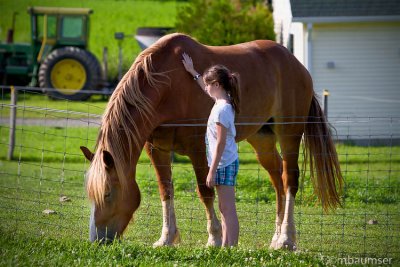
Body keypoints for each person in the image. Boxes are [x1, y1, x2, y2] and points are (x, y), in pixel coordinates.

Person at [182, 53, 241, 247]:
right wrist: (192, 71)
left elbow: (221, 143)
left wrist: (212, 170)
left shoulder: (222, 110)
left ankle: (231, 248)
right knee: (224, 209)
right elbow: (204, 87)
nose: (205, 88)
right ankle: (226, 246)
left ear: (217, 84)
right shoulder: (222, 102)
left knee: (228, 209)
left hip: (223, 163)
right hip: (223, 162)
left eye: (208, 84)